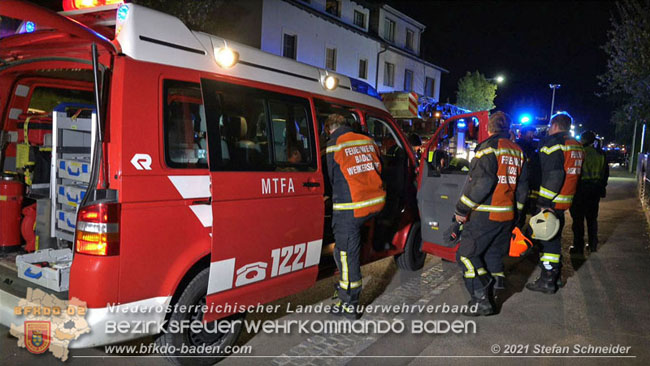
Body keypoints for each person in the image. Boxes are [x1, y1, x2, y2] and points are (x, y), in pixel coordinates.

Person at [454, 112, 528, 316]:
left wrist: (461, 209)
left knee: (465, 256)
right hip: (507, 216)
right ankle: (496, 293)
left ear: (489, 128)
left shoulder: (487, 149)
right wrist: (518, 216)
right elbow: (523, 188)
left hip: (484, 215)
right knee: (494, 255)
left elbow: (482, 183)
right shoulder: (517, 151)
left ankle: (481, 298)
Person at [325, 113, 385, 319]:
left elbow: (331, 178)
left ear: (328, 129)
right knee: (343, 251)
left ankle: (350, 303)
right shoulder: (368, 140)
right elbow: (378, 167)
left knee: (346, 254)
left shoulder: (334, 144)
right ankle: (343, 285)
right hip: (374, 203)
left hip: (350, 207)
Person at [526, 112, 584, 294]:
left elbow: (554, 174)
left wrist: (544, 203)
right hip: (565, 199)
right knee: (555, 238)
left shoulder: (554, 143)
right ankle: (555, 278)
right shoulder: (576, 145)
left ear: (554, 126)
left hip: (550, 202)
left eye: (550, 127)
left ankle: (547, 281)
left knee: (548, 242)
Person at [570, 130, 608, 254]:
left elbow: (575, 172)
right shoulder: (601, 154)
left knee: (578, 220)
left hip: (580, 190)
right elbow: (605, 174)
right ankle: (593, 244)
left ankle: (578, 246)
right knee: (592, 219)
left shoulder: (580, 152)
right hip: (595, 190)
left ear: (583, 139)